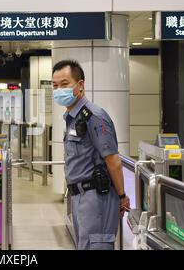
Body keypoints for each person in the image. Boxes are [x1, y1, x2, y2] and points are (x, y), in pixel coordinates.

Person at [52, 60, 130, 250]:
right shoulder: (73, 118)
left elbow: (113, 161)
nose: (58, 90)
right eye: (55, 86)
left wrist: (121, 196)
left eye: (64, 84)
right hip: (80, 197)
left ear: (80, 85)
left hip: (96, 198)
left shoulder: (94, 116)